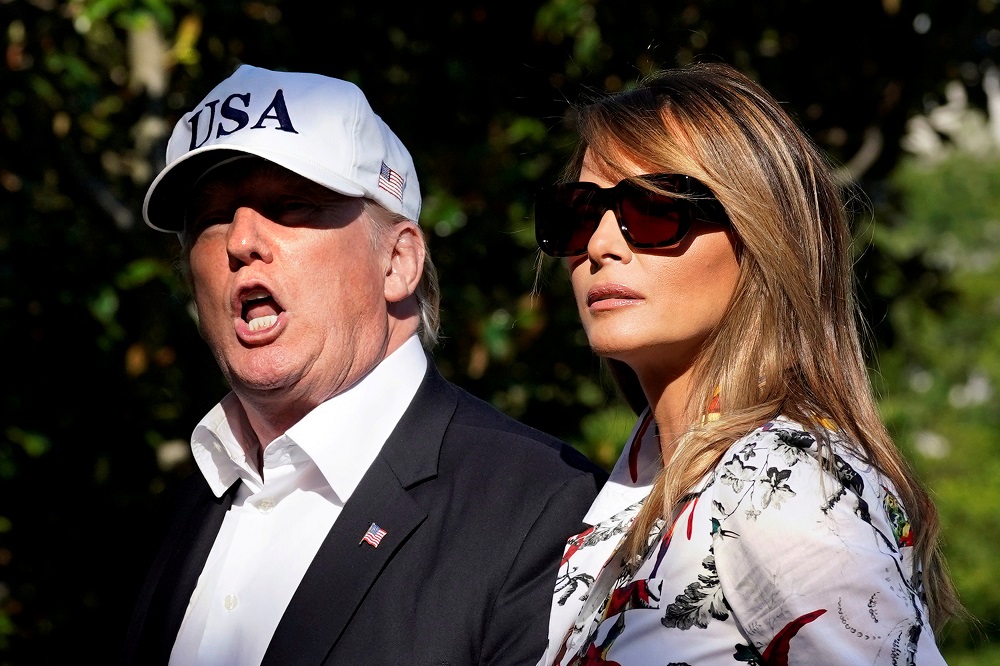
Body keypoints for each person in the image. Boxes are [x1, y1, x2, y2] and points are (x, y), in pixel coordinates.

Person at [122, 63, 606, 665]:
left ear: (398, 262)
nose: (240, 240)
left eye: (291, 205)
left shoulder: (543, 506)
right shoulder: (180, 509)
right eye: (211, 217)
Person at [532, 61, 961, 664]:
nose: (601, 246)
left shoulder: (786, 482)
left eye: (654, 206)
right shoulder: (646, 473)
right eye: (577, 212)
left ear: (761, 237)